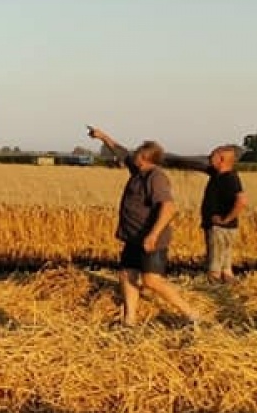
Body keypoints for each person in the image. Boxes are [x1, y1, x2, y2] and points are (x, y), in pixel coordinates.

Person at [86, 127, 203, 326]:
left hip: (151, 238)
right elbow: (121, 151)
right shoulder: (138, 170)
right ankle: (129, 320)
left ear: (146, 157)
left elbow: (168, 207)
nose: (134, 156)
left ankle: (191, 314)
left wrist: (153, 235)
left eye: (138, 153)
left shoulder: (155, 177)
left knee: (151, 280)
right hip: (133, 236)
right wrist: (103, 137)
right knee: (127, 274)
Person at [170, 144, 248, 282]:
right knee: (225, 265)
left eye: (212, 156)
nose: (209, 159)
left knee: (214, 265)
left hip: (219, 228)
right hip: (226, 228)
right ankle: (229, 288)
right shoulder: (221, 175)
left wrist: (226, 219)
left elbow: (241, 201)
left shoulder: (228, 178)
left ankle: (214, 288)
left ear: (221, 159)